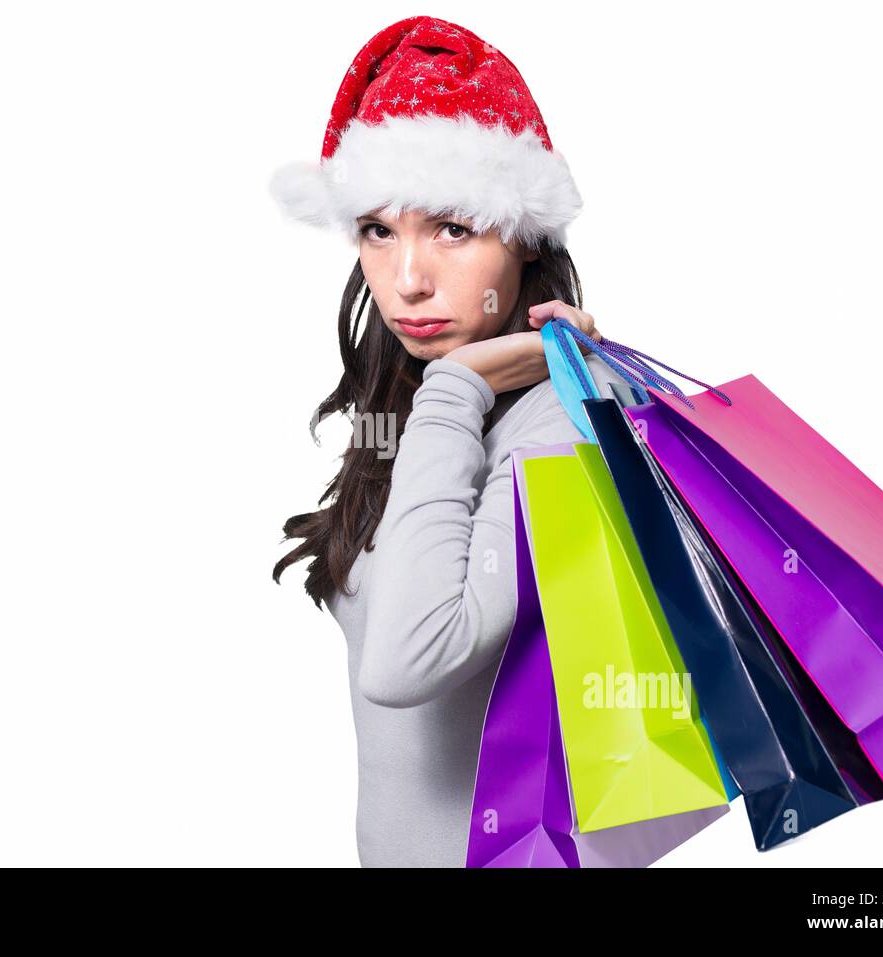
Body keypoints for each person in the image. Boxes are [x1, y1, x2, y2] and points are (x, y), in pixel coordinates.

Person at [268, 15, 627, 867]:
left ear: (526, 237)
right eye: (379, 231)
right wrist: (449, 395)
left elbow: (405, 663)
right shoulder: (426, 400)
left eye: (453, 229)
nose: (408, 278)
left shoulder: (556, 417)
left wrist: (455, 389)